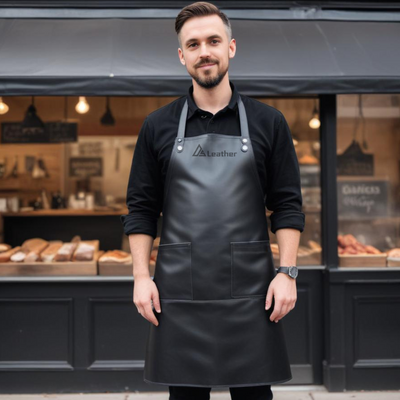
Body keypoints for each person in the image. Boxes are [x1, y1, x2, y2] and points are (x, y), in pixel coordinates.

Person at [121, 2, 305, 399]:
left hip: (253, 295)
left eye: (213, 41)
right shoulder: (157, 126)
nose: (204, 51)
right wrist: (140, 277)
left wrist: (287, 273)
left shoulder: (267, 122)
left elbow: (287, 205)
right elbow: (140, 210)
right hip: (179, 295)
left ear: (231, 48)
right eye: (194, 44)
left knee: (254, 396)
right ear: (182, 55)